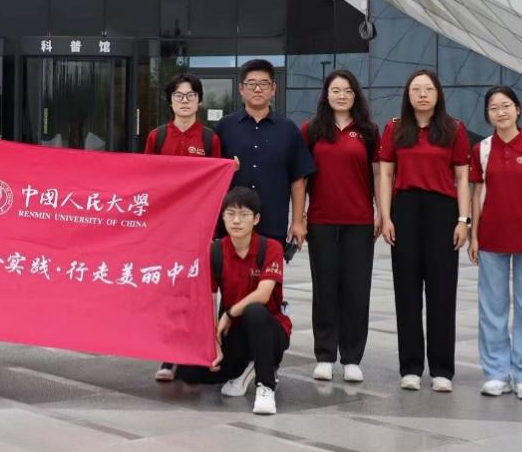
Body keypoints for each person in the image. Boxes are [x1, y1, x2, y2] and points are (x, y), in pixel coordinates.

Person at [378, 69, 471, 393]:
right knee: (406, 290)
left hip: (442, 212)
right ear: (407, 94)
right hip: (405, 209)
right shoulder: (394, 129)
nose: (422, 94)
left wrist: (463, 220)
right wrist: (386, 216)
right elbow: (385, 175)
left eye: (428, 89)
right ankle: (411, 367)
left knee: (442, 291)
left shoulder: (454, 129)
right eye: (416, 89)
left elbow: (462, 178)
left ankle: (442, 369)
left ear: (438, 94)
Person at [469, 86, 522, 401]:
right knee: (492, 309)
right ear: (488, 114)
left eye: (505, 106)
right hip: (491, 239)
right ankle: (496, 374)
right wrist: (474, 236)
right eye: (493, 108)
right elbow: (477, 195)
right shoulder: (482, 149)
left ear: (517, 109)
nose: (500, 113)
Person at [177, 187, 290, 415]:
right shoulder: (216, 251)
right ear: (223, 217)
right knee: (188, 373)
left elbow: (263, 294)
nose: (236, 221)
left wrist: (229, 314)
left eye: (243, 215)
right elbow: (209, 299)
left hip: (270, 331)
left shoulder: (271, 248)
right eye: (230, 214)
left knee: (254, 311)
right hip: (235, 333)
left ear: (256, 219)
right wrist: (214, 342)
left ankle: (266, 386)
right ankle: (248, 366)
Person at [302, 70, 380, 384]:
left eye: (347, 90)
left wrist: (382, 213)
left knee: (356, 290)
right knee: (324, 289)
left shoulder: (368, 130)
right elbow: (302, 177)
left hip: (359, 221)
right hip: (321, 220)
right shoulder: (312, 129)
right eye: (336, 90)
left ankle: (351, 357)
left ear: (355, 95)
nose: (342, 95)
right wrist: (299, 217)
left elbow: (379, 174)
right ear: (326, 94)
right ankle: (324, 355)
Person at [145, 73, 223, 383]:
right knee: (169, 291)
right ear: (170, 101)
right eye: (179, 96)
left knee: (197, 290)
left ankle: (196, 352)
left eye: (191, 96)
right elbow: (146, 180)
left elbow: (217, 185)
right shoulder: (157, 137)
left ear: (199, 101)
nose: (185, 101)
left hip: (199, 229)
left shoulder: (209, 139)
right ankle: (168, 356)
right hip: (166, 229)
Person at [216, 59, 314, 252]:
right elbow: (213, 176)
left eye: (264, 84)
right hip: (232, 224)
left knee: (270, 271)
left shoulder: (288, 129)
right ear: (241, 89)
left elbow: (298, 179)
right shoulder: (224, 127)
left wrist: (297, 221)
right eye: (251, 84)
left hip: (273, 223)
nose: (258, 89)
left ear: (273, 89)